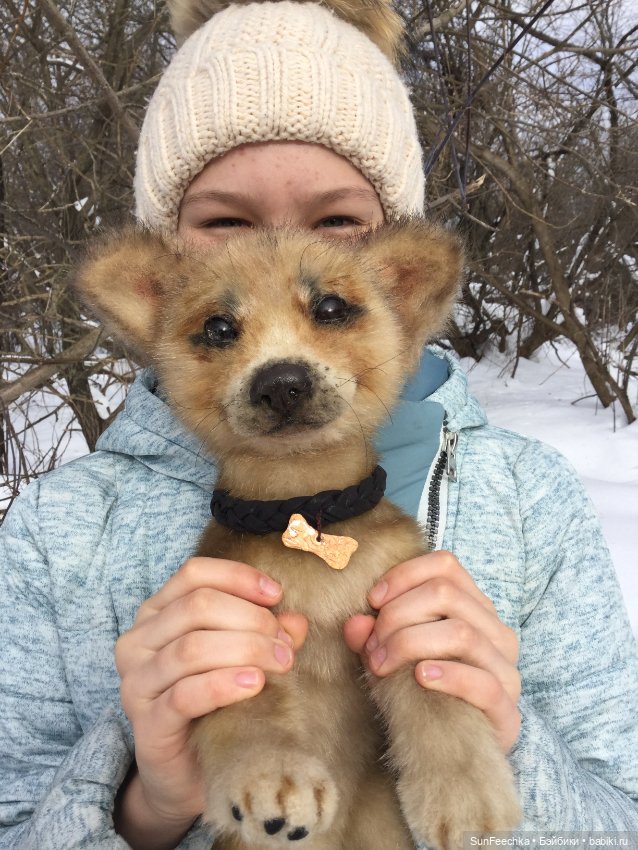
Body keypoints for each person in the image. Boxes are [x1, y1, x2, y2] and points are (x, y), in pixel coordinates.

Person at [1, 2, 637, 849]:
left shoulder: (530, 501)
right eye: (225, 225)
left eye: (335, 243)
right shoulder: (58, 530)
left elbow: (620, 814)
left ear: (402, 291)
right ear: (156, 295)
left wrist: (500, 748)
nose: (282, 365)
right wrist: (145, 800)